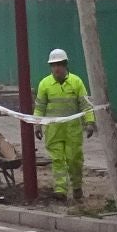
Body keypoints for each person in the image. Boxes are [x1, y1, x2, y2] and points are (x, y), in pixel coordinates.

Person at [33, 48, 97, 201]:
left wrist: (89, 122)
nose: (56, 68)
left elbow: (85, 105)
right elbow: (40, 107)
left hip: (72, 130)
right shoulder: (45, 84)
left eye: (59, 64)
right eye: (53, 65)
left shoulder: (76, 82)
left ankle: (76, 187)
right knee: (57, 160)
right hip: (53, 131)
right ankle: (60, 189)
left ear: (65, 65)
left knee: (74, 159)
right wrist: (37, 124)